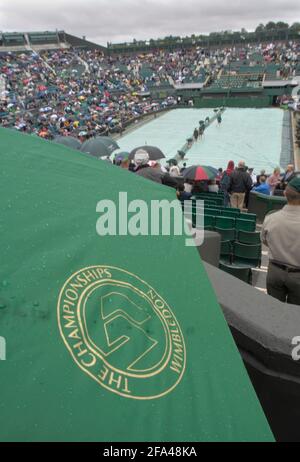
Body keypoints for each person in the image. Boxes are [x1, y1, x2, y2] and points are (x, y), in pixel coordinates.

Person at [261, 177, 300, 305]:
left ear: (285, 193)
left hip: (274, 272)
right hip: (297, 276)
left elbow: (265, 240)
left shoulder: (271, 218)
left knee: (274, 311)